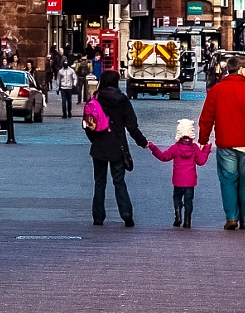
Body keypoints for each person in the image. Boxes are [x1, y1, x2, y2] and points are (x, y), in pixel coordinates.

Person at [196, 53, 245, 230]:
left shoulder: (216, 90)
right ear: (240, 69)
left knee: (228, 180)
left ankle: (232, 217)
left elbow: (207, 117)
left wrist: (203, 139)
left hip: (225, 142)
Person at [88, 71, 145, 227]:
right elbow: (132, 126)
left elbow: (88, 124)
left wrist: (94, 139)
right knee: (119, 181)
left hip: (99, 146)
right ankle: (126, 213)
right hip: (118, 147)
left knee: (99, 182)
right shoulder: (123, 100)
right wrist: (142, 142)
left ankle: (98, 216)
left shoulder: (95, 99)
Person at [148, 119, 213, 228]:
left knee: (177, 197)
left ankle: (178, 216)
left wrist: (152, 147)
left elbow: (163, 157)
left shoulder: (175, 148)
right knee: (189, 201)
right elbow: (201, 161)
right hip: (190, 181)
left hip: (178, 180)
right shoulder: (194, 148)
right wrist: (206, 149)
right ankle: (187, 221)